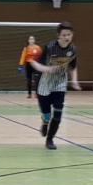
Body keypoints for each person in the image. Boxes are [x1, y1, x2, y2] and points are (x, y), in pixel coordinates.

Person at [30, 22, 81, 150]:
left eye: (69, 34)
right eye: (64, 35)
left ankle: (50, 139)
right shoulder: (49, 47)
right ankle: (45, 121)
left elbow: (73, 66)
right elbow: (37, 65)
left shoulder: (72, 49)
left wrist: (74, 80)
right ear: (58, 35)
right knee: (47, 114)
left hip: (60, 83)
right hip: (45, 83)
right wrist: (48, 69)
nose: (66, 37)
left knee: (58, 113)